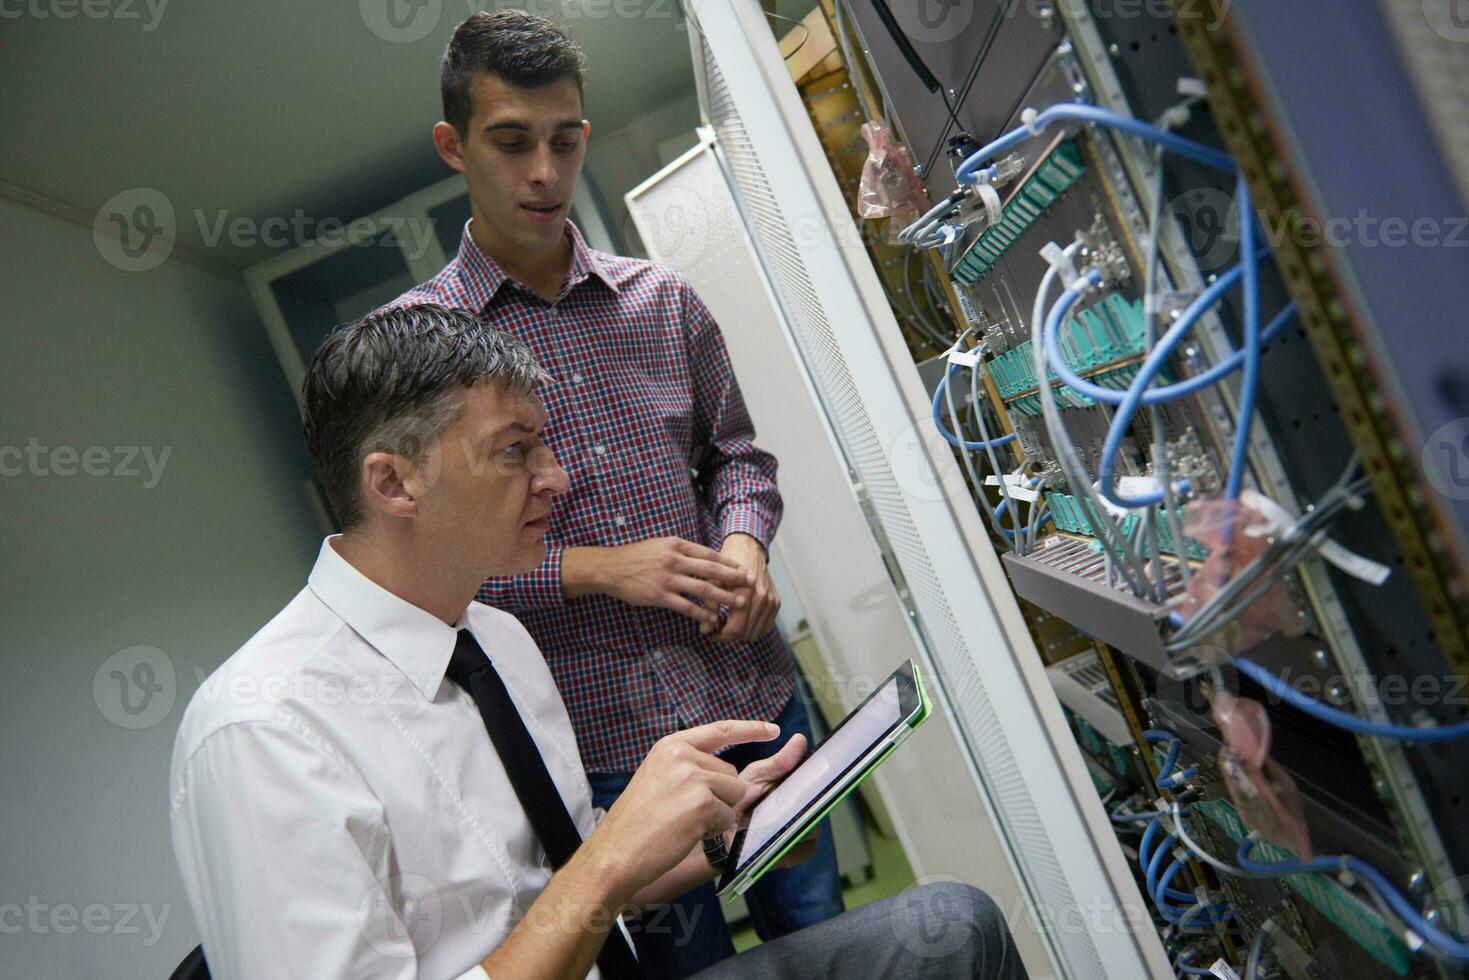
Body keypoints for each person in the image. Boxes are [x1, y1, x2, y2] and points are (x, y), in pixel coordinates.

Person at [167, 305, 1028, 980]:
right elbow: (592, 881)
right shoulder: (264, 730)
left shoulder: (497, 640)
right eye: (515, 452)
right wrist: (609, 858)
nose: (557, 477)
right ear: (394, 482)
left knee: (949, 927)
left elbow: (572, 887)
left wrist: (726, 828)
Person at [385, 11, 842, 974]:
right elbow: (419, 572)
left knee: (834, 946)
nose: (545, 172)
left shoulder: (664, 301)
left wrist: (745, 545)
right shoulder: (415, 352)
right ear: (453, 148)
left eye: (565, 139)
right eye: (511, 142)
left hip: (754, 701)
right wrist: (595, 569)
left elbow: (738, 463)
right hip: (606, 755)